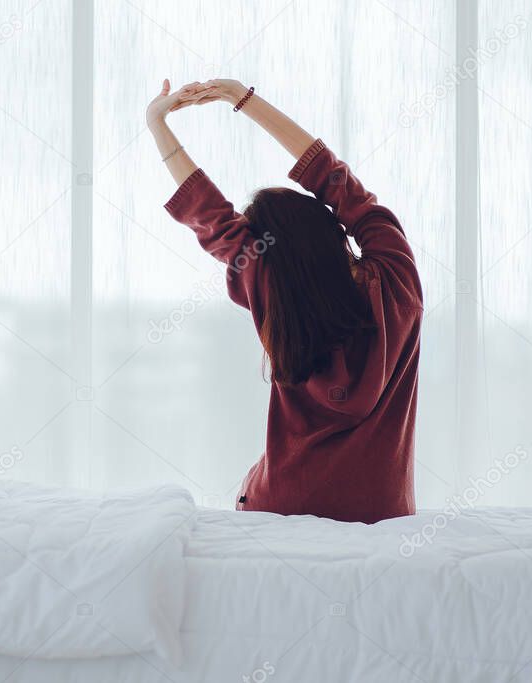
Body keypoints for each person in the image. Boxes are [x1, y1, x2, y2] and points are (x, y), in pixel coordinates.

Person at [146, 79, 423, 523]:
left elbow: (213, 218)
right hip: (382, 509)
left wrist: (156, 121)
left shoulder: (272, 289)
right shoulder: (398, 278)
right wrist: (241, 98)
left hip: (282, 506)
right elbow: (335, 179)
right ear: (333, 229)